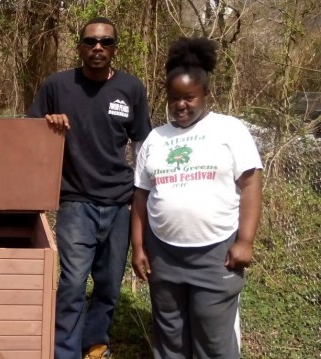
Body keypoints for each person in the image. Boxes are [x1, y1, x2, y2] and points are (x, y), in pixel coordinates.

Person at [27, 17, 152, 359]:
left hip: (119, 203)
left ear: (115, 48)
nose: (98, 48)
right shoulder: (58, 86)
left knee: (109, 284)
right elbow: (28, 134)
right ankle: (64, 350)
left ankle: (95, 343)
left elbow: (143, 145)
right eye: (91, 41)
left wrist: (141, 196)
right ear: (80, 46)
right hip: (75, 200)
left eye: (106, 42)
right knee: (72, 282)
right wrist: (46, 124)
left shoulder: (131, 89)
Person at [130, 37, 262, 359]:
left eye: (189, 97)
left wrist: (245, 240)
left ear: (205, 94)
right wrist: (138, 246)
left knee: (213, 337)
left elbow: (251, 185)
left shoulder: (229, 130)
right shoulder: (155, 139)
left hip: (215, 252)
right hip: (164, 252)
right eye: (174, 97)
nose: (181, 105)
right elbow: (141, 197)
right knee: (170, 334)